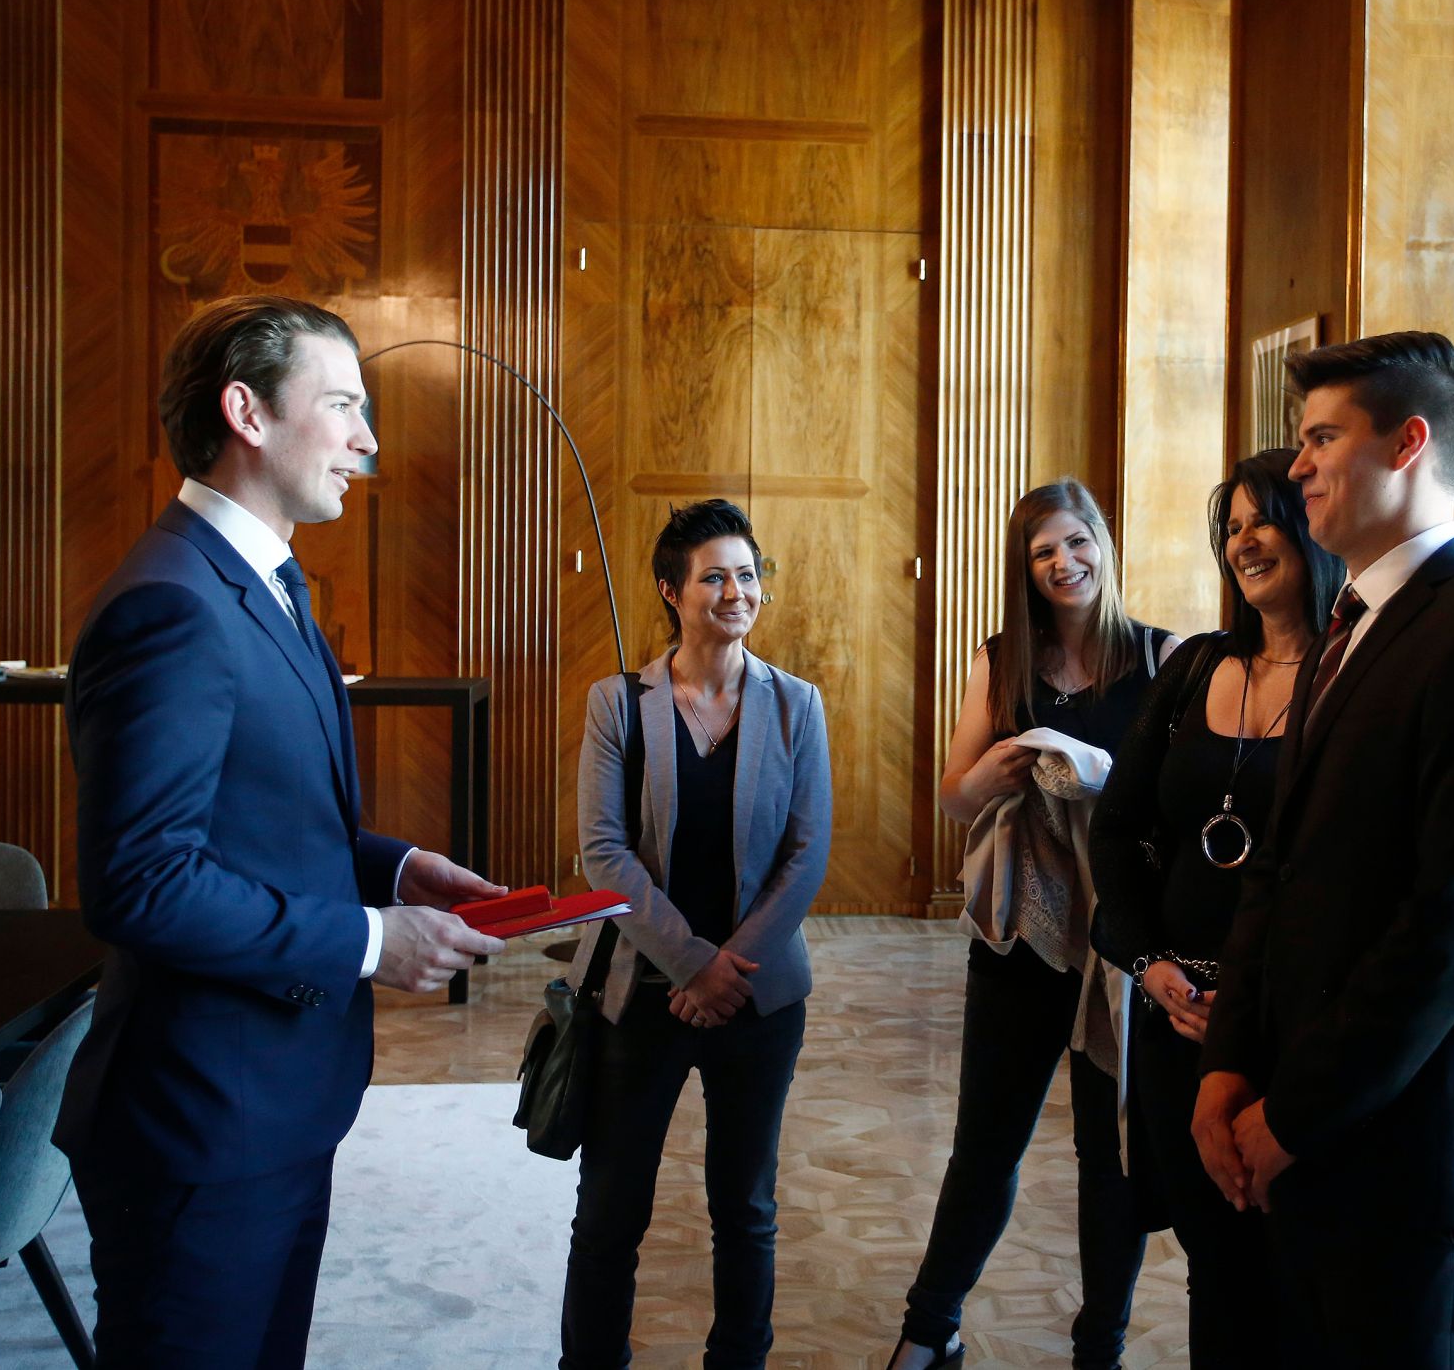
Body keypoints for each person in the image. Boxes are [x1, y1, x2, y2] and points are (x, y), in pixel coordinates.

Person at [57, 295, 509, 1368]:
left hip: (275, 1102)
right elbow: (143, 883)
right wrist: (370, 940)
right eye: (344, 405)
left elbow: (264, 822)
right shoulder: (170, 602)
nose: (368, 439)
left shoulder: (268, 580)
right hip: (200, 1120)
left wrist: (398, 870)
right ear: (247, 414)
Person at [1190, 332, 1454, 1368]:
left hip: (1416, 1161)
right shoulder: (1346, 627)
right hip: (1302, 1138)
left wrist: (1295, 1113)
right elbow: (1276, 872)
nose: (1298, 466)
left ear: (1407, 444)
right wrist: (1228, 1063)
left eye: (1322, 438)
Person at [890, 478, 1176, 1370]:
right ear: (1026, 568)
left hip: (1122, 945)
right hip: (1021, 938)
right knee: (985, 1146)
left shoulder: (1167, 658)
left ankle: (1102, 1347)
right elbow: (954, 796)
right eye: (1044, 550)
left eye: (1077, 541)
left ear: (1103, 544)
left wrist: (1099, 772)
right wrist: (996, 770)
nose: (1064, 561)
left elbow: (1178, 801)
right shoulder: (1002, 660)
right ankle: (928, 1330)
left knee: (1109, 1153)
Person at [560, 499, 832, 1369]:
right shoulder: (619, 703)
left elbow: (808, 852)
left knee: (746, 1211)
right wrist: (691, 965)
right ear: (672, 591)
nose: (736, 591)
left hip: (758, 998)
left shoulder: (797, 704)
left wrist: (727, 971)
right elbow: (603, 852)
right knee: (610, 1212)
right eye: (714, 576)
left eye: (747, 574)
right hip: (640, 992)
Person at [1089, 448, 1339, 1367]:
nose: (1244, 541)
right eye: (1231, 527)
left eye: (1263, 518)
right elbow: (1117, 827)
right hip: (1176, 1020)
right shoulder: (1195, 666)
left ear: (1312, 526)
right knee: (1212, 1255)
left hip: (1287, 1028)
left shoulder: (1351, 673)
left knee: (1289, 1258)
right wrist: (1147, 961)